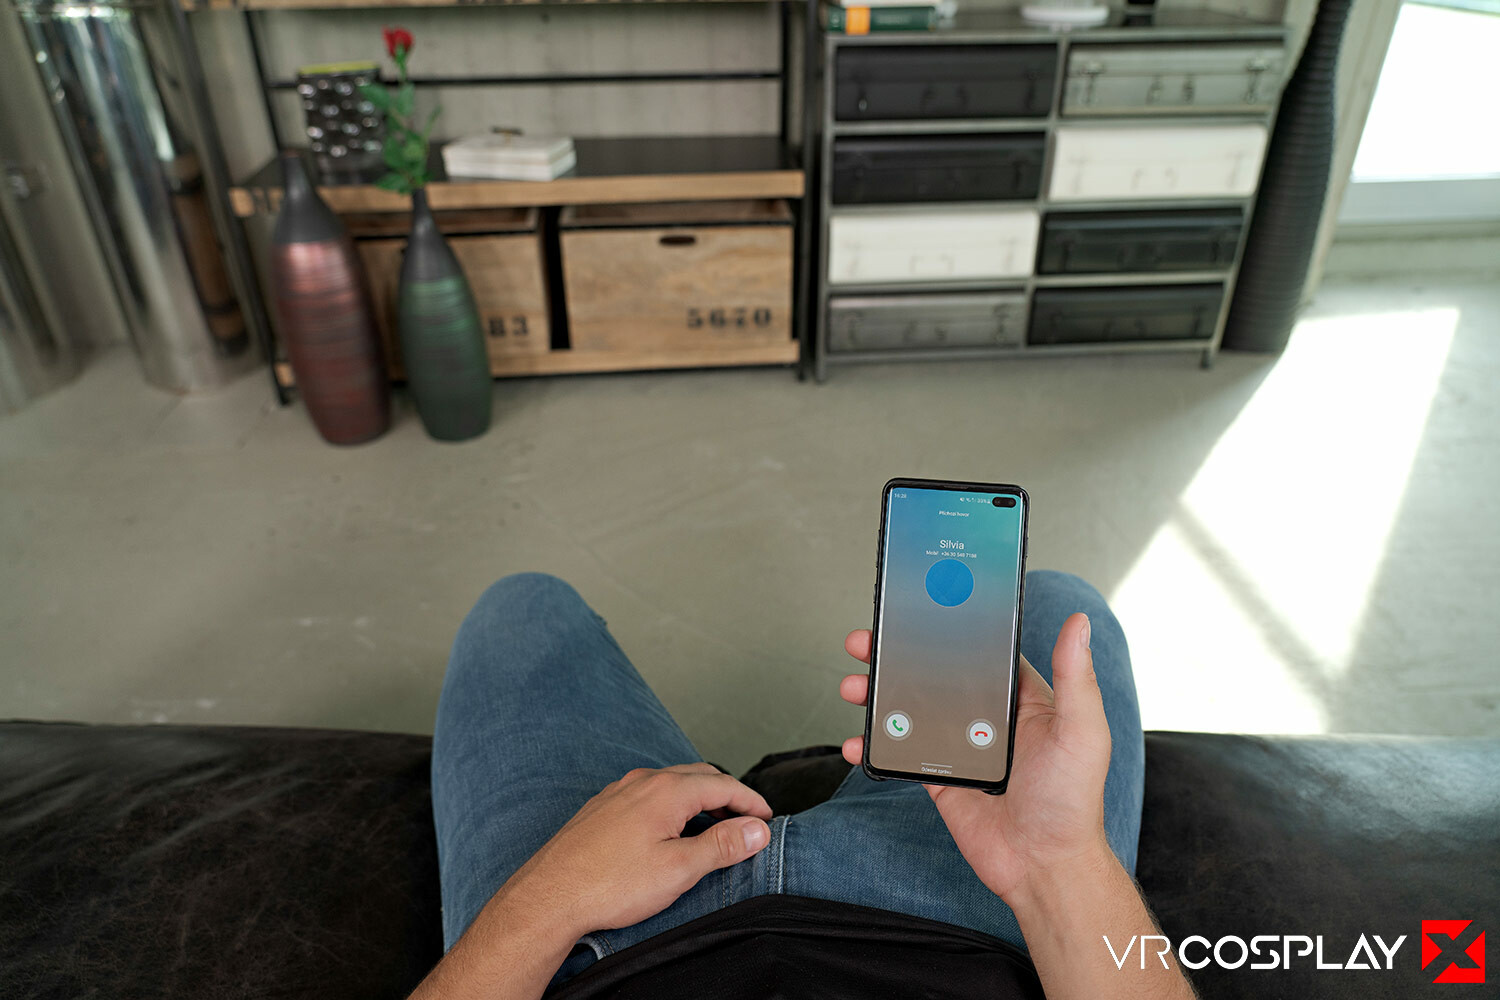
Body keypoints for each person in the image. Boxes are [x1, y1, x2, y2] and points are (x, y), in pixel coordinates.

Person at [411, 571, 1195, 999]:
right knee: (1061, 604)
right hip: (974, 929)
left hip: (602, 955)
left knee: (522, 611)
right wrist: (1055, 863)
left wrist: (550, 897)